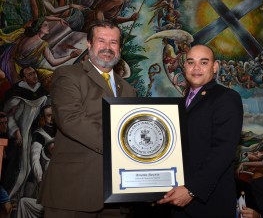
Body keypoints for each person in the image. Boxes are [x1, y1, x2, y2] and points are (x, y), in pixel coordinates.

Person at [38, 20, 136, 218]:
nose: (107, 48)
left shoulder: (128, 89)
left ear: (120, 48)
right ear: (89, 44)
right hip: (74, 190)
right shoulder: (68, 75)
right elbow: (71, 119)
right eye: (101, 41)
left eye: (114, 43)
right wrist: (122, 145)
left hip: (117, 195)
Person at [157, 44, 244, 217]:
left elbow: (223, 151)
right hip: (177, 199)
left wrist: (191, 190)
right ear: (184, 66)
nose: (196, 68)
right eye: (191, 62)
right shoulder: (180, 104)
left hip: (208, 204)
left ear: (215, 66)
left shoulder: (226, 98)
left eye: (204, 62)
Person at [2, 66, 48, 202]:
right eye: (30, 74)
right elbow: (8, 116)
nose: (34, 76)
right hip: (19, 136)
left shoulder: (42, 91)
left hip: (33, 133)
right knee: (20, 168)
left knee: (31, 168)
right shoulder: (16, 93)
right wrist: (16, 132)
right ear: (24, 78)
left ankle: (20, 198)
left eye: (34, 73)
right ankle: (9, 198)